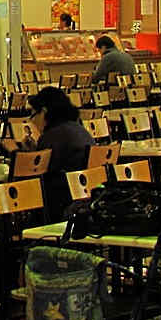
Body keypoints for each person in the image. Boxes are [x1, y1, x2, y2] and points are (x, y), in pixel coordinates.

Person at [28, 85, 93, 220]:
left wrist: (15, 152)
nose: (32, 121)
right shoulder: (79, 129)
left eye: (33, 115)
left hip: (64, 203)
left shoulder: (52, 135)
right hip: (87, 196)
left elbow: (38, 173)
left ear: (44, 112)